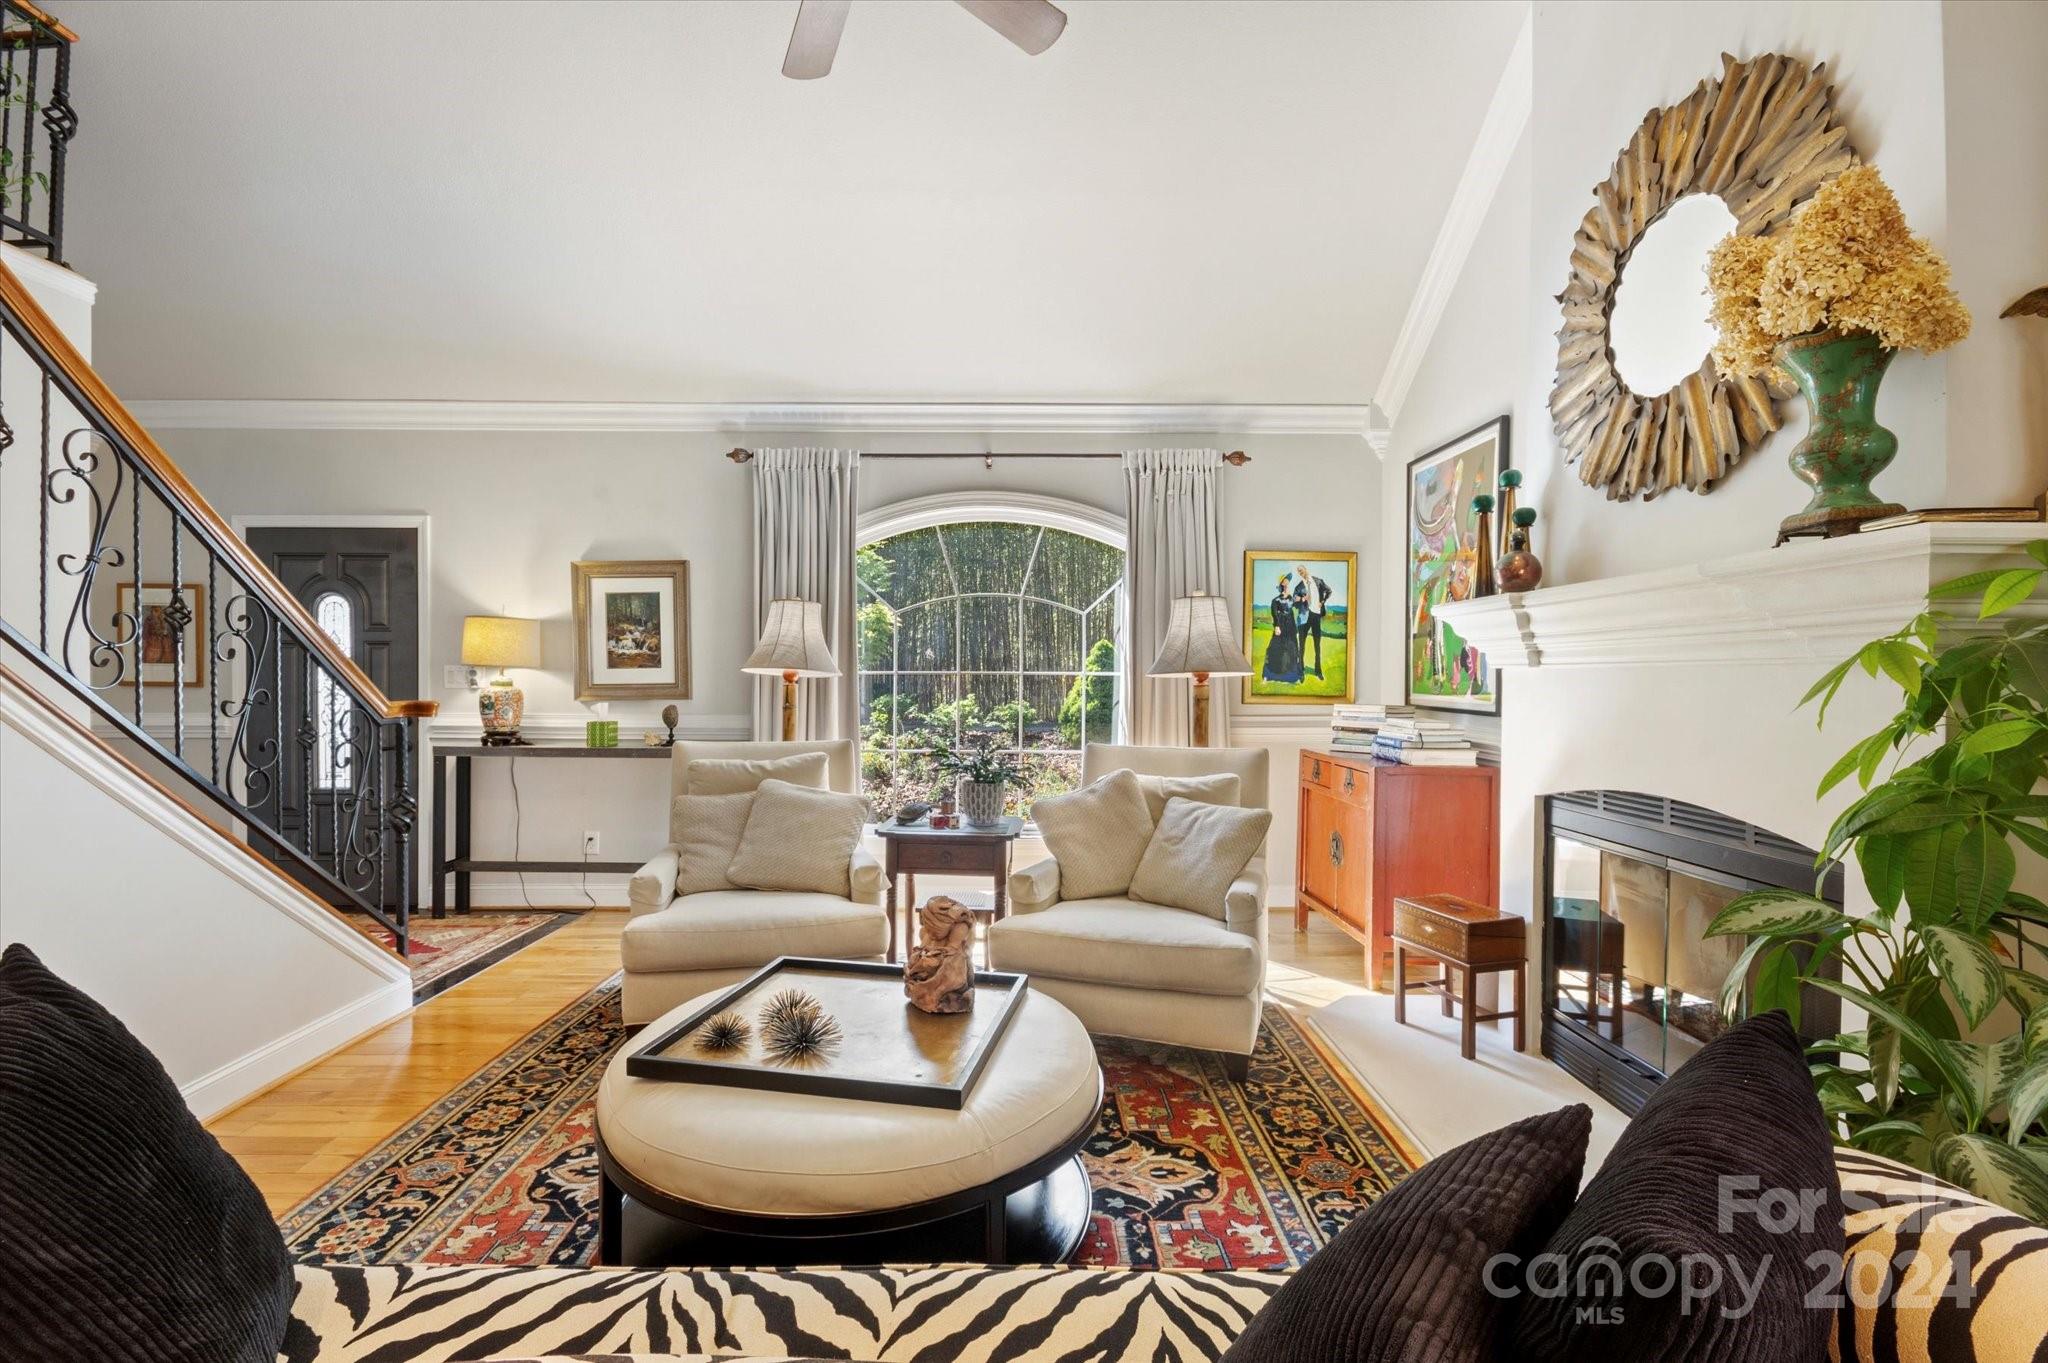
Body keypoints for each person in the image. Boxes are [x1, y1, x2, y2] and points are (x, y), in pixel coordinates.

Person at [1291, 564, 1334, 679]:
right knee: (1302, 645)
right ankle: (1301, 671)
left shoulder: (1318, 581)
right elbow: (1294, 601)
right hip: (1304, 617)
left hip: (1316, 615)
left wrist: (1323, 601)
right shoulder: (1299, 587)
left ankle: (1318, 671)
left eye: (1301, 570)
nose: (1301, 572)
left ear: (1306, 569)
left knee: (1317, 645)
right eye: (1299, 572)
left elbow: (1329, 591)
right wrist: (1302, 599)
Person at [1262, 573, 1303, 684]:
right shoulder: (1275, 600)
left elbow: (1300, 603)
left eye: (1287, 584)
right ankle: (1268, 675)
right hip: (1280, 625)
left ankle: (1293, 676)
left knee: (1292, 649)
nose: (1286, 586)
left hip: (1291, 626)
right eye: (1284, 584)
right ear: (1280, 586)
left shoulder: (1291, 599)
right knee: (1275, 648)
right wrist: (1276, 626)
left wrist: (1302, 598)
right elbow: (1275, 614)